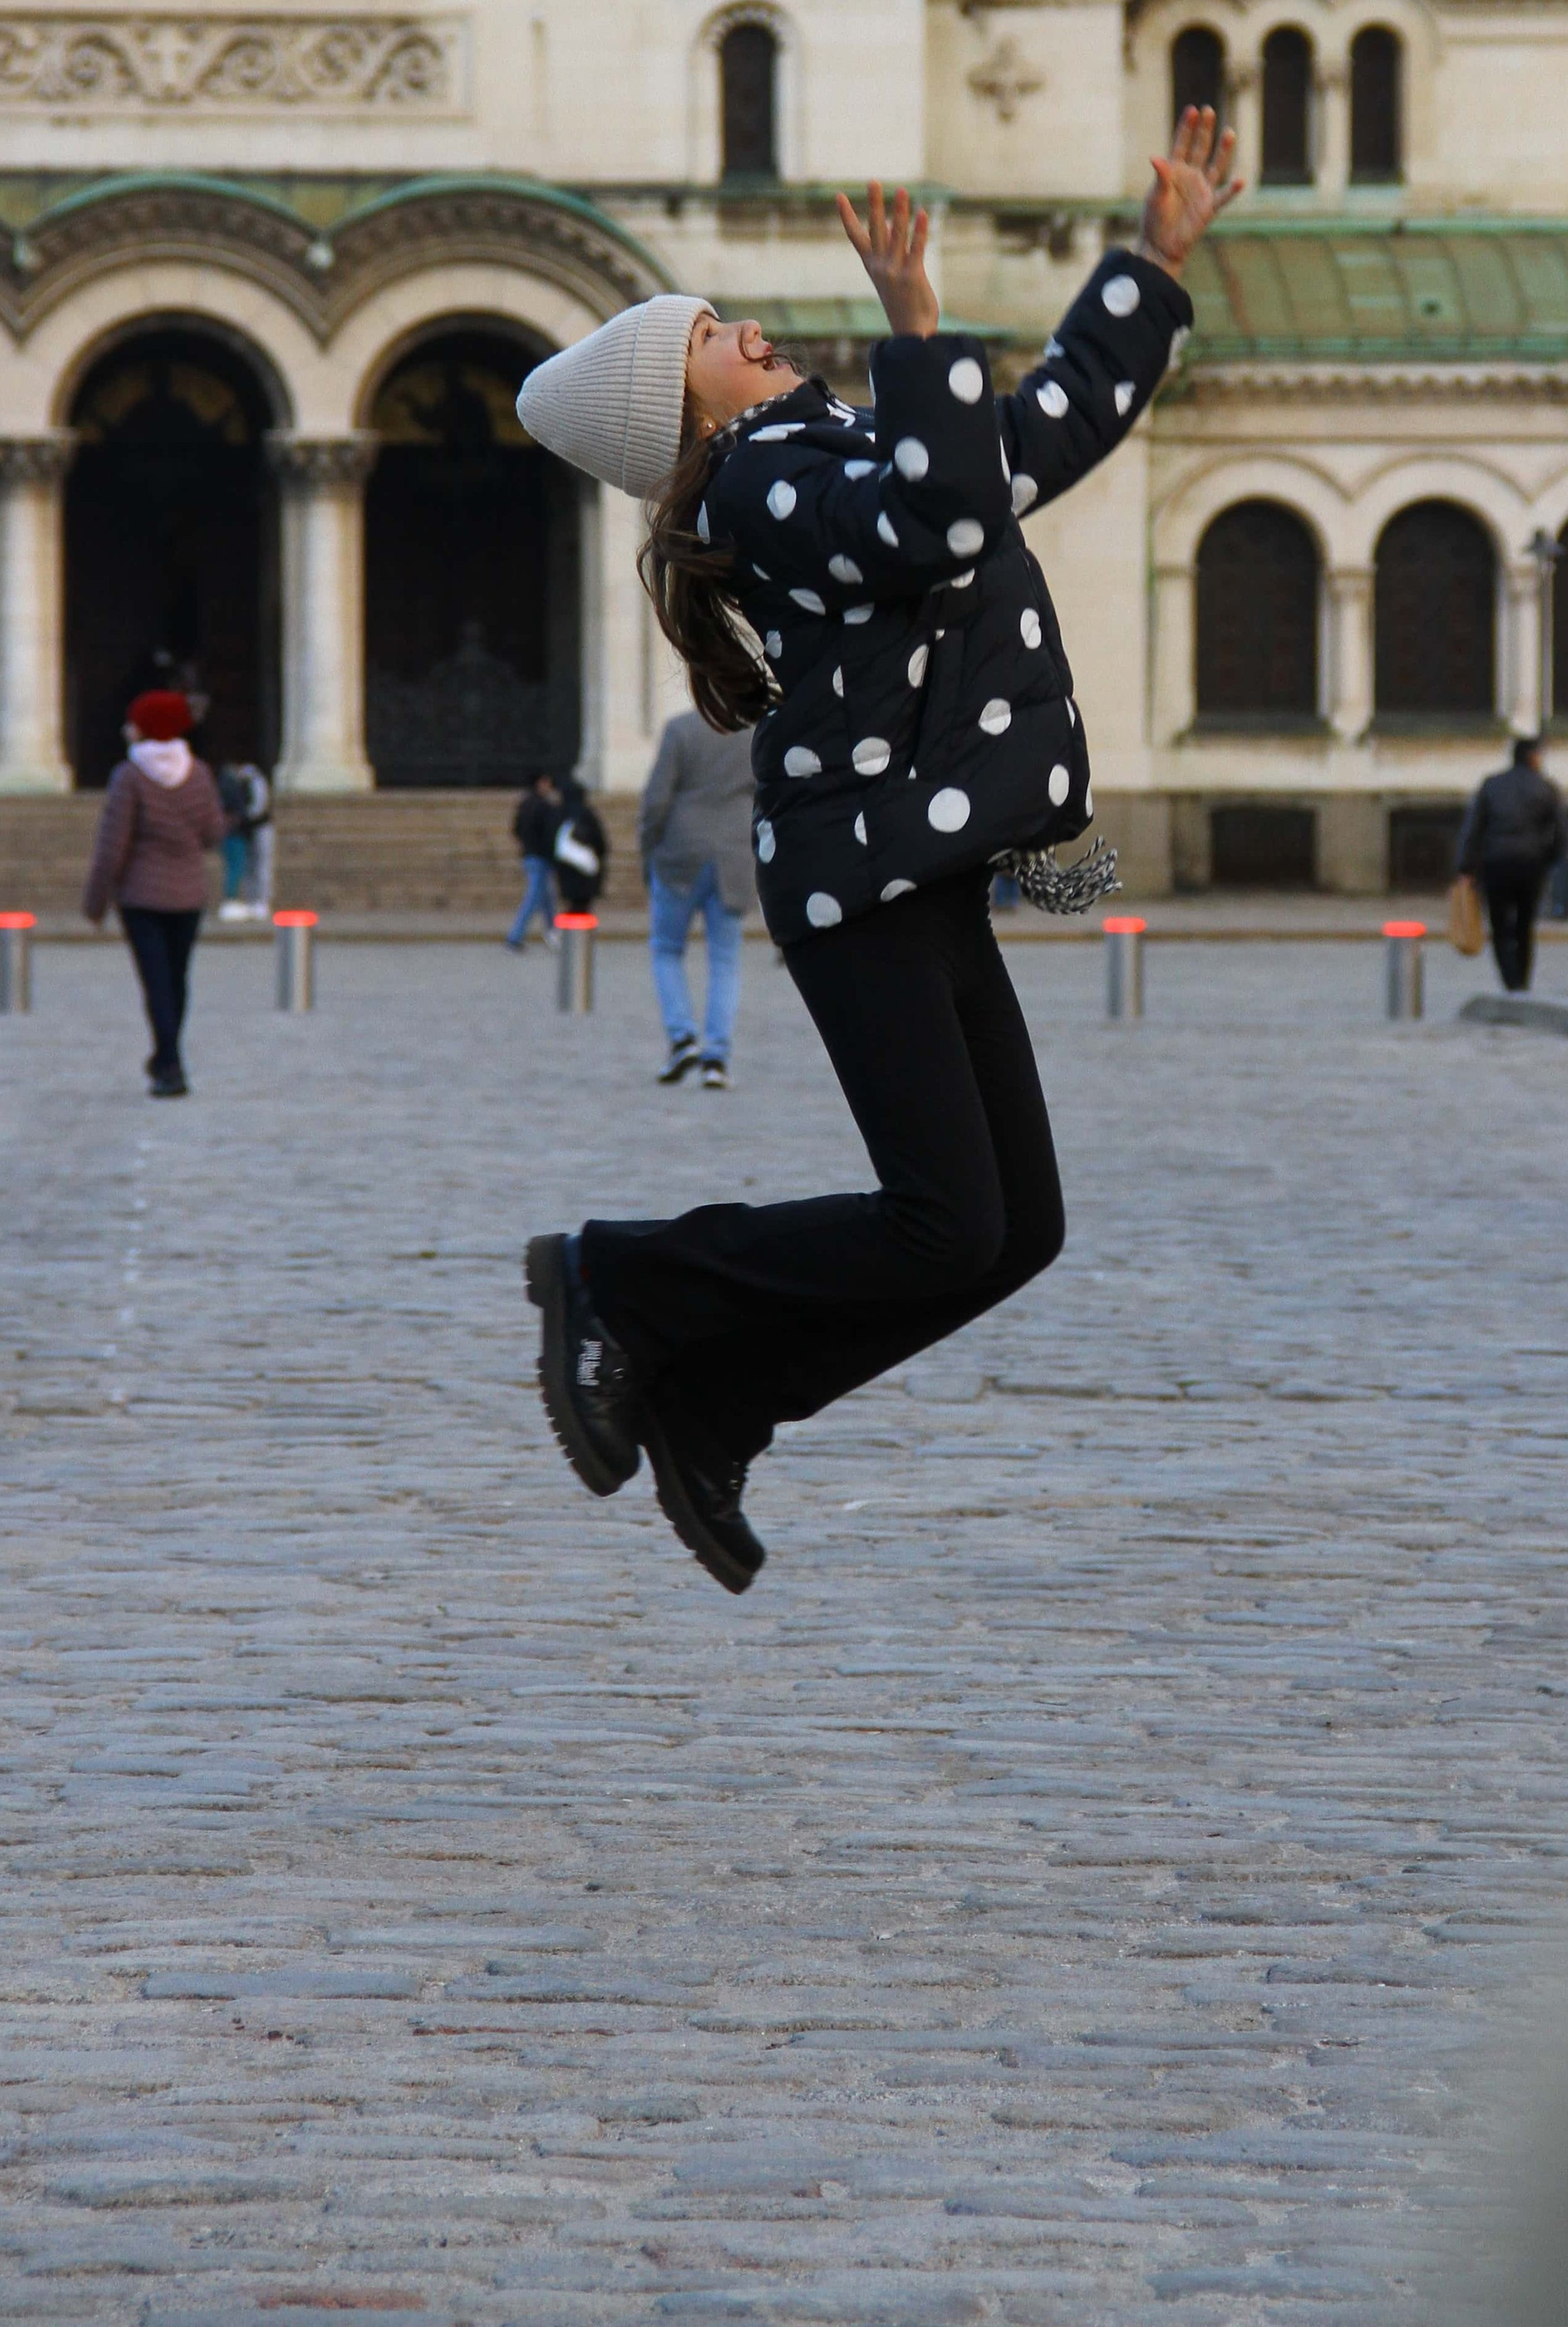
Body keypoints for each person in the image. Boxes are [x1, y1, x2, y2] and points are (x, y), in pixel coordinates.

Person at [512, 105, 1242, 1593]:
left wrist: (1150, 267)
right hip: (863, 880)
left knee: (1012, 1228)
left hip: (921, 866)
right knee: (944, 1220)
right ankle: (624, 1276)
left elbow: (1026, 449)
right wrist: (917, 326)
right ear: (686, 408)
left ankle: (719, 1402)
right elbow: (937, 523)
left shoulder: (819, 447)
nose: (753, 328)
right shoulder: (757, 480)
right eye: (716, 331)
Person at [81, 688, 225, 1097]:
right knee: (177, 980)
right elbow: (214, 833)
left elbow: (112, 847)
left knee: (156, 982)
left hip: (141, 898)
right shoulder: (198, 774)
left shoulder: (129, 777)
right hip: (188, 896)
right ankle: (168, 1058)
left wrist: (95, 902)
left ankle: (169, 1063)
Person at [640, 707, 755, 1087]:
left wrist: (648, 847)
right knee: (725, 960)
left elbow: (657, 799)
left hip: (680, 851)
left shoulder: (680, 729)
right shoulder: (751, 733)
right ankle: (716, 1058)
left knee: (667, 949)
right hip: (734, 854)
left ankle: (682, 1035)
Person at [1457, 735, 1568, 994]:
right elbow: (1563, 833)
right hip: (1531, 865)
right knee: (1524, 925)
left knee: (1499, 926)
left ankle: (1509, 980)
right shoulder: (1545, 787)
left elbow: (1473, 829)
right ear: (1533, 757)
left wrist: (1466, 867)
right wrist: (1548, 857)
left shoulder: (1492, 785)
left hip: (1495, 863)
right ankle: (1522, 981)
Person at [215, 760, 273, 924]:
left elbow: (258, 807)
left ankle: (260, 901)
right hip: (242, 832)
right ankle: (249, 901)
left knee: (259, 865)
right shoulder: (236, 784)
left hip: (255, 829)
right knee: (245, 867)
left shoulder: (253, 781)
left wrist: (244, 818)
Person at [506, 772, 559, 949]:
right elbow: (551, 833)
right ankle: (516, 935)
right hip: (541, 857)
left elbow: (516, 829)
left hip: (529, 855)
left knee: (546, 898)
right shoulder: (544, 806)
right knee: (534, 897)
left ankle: (552, 932)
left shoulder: (525, 805)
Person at [551, 775, 608, 919]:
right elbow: (600, 842)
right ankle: (577, 938)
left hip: (566, 871)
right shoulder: (587, 814)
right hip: (587, 871)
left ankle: (572, 937)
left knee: (573, 905)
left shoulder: (558, 814)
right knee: (583, 907)